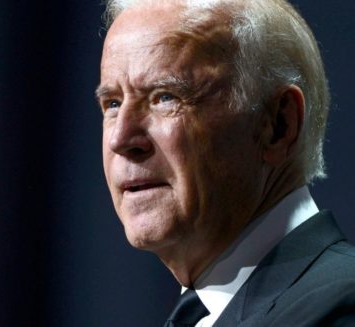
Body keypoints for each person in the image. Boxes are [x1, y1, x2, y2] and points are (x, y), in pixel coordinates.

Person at [96, 0, 355, 325]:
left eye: (165, 97)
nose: (120, 139)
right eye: (113, 103)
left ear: (277, 125)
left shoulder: (338, 310)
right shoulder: (200, 312)